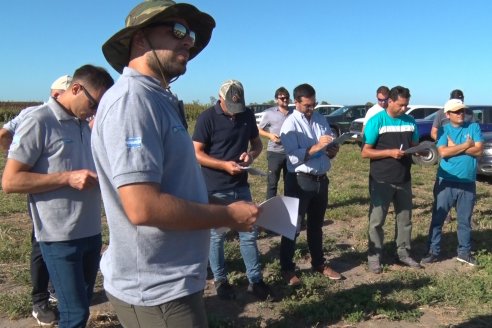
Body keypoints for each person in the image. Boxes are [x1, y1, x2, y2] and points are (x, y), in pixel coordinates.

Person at [92, 2, 259, 327]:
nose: (189, 41)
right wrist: (226, 215)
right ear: (139, 39)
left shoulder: (157, 99)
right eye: (178, 31)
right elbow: (143, 207)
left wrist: (227, 209)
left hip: (173, 282)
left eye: (192, 34)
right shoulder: (133, 102)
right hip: (156, 290)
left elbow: (175, 187)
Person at [2, 64, 114, 328]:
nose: (95, 111)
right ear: (76, 89)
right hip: (59, 237)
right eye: (94, 104)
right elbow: (11, 181)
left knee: (82, 307)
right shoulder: (38, 120)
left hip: (90, 232)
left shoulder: (84, 125)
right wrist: (67, 178)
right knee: (74, 314)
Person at [193, 79, 275, 301]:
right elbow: (196, 153)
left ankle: (255, 280)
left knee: (249, 232)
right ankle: (221, 280)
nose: (234, 111)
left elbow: (257, 144)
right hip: (215, 188)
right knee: (216, 236)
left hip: (241, 185)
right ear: (220, 99)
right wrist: (223, 165)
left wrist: (251, 155)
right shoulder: (207, 119)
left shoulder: (247, 115)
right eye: (231, 106)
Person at [0, 74, 71, 325]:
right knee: (42, 242)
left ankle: (55, 290)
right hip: (43, 191)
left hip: (70, 197)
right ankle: (40, 300)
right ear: (56, 94)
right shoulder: (35, 113)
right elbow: (3, 133)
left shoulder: (76, 117)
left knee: (64, 242)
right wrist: (17, 158)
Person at [279, 83, 342, 286]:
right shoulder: (290, 125)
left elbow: (327, 145)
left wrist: (332, 150)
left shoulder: (320, 119)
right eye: (307, 105)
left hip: (320, 180)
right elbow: (294, 157)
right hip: (299, 181)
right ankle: (287, 269)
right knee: (292, 227)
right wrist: (318, 147)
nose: (311, 108)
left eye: (313, 104)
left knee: (316, 226)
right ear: (295, 102)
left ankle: (319, 263)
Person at [361, 86, 422, 274]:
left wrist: (421, 151)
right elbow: (365, 152)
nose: (404, 109)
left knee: (405, 219)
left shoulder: (411, 122)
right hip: (382, 179)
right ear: (390, 101)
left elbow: (415, 145)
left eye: (406, 105)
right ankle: (374, 256)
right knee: (377, 221)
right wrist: (389, 152)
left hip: (404, 178)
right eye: (401, 105)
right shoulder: (376, 121)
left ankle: (403, 253)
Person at [421, 99, 483, 266]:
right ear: (447, 115)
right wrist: (466, 144)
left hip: (467, 182)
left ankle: (464, 252)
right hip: (446, 181)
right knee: (438, 218)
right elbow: (443, 152)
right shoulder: (444, 129)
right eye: (456, 111)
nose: (461, 113)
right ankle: (433, 251)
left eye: (462, 110)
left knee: (465, 220)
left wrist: (456, 146)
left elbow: (478, 150)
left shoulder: (473, 127)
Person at [0, 75, 72, 153]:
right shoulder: (32, 113)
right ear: (56, 95)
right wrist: (21, 155)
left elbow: (3, 134)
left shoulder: (29, 112)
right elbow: (3, 135)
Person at [258, 87, 292, 201]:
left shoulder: (294, 114)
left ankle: (289, 209)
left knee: (290, 184)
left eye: (286, 97)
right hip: (275, 153)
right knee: (272, 183)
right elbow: (259, 129)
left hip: (291, 153)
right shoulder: (269, 113)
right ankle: (270, 209)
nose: (284, 99)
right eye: (281, 98)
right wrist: (270, 136)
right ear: (276, 99)